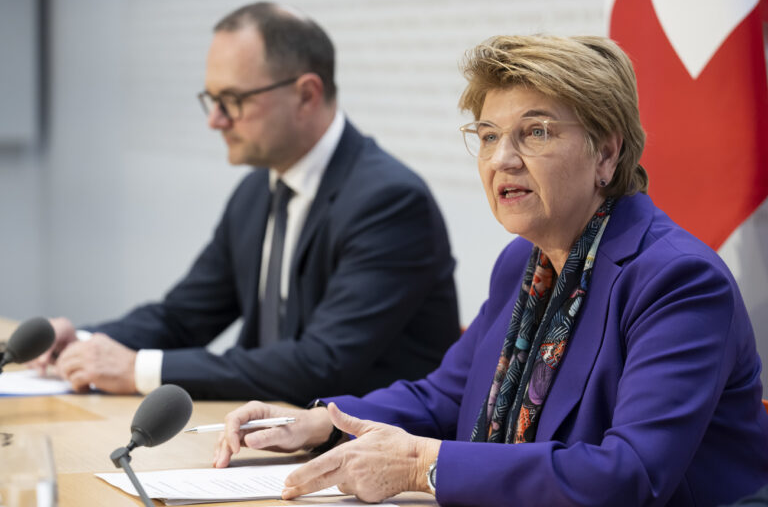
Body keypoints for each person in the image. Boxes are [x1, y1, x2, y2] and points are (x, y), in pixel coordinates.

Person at [213, 35, 768, 506]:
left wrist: (422, 467)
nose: (502, 158)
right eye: (487, 136)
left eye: (536, 132)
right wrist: (323, 420)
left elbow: (632, 475)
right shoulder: (522, 266)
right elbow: (449, 398)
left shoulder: (678, 282)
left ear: (606, 155)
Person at [31, 2, 460, 403]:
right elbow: (184, 317)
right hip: (270, 441)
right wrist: (81, 344)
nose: (215, 120)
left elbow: (321, 363)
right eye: (212, 100)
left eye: (232, 100)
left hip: (362, 458)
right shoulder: (258, 190)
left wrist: (140, 369)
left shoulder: (390, 202)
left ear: (306, 95)